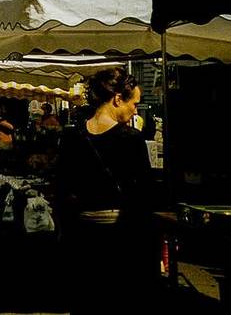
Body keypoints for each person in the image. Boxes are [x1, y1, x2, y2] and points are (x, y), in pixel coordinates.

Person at [54, 68, 157, 313]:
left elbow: (61, 187)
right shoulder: (131, 139)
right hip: (119, 238)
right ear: (118, 98)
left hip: (80, 238)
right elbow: (142, 195)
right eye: (134, 103)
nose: (135, 109)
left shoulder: (72, 136)